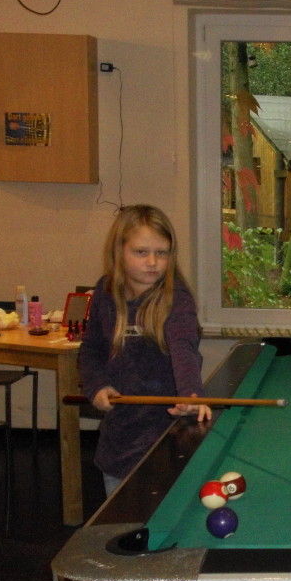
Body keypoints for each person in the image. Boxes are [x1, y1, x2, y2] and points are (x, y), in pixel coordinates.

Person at [79, 205, 211, 496]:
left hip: (168, 437)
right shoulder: (105, 291)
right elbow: (91, 349)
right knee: (120, 517)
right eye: (141, 252)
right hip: (120, 439)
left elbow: (184, 348)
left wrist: (190, 393)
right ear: (119, 250)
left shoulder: (177, 298)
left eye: (162, 253)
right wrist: (97, 385)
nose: (153, 262)